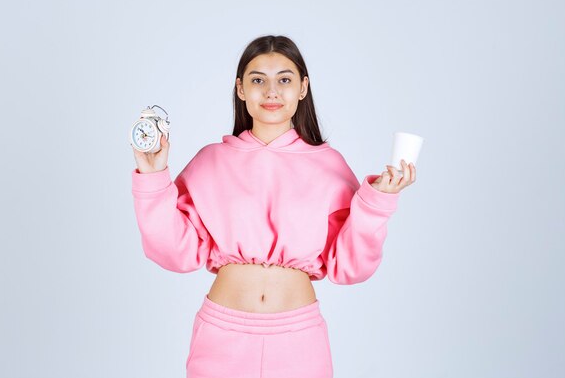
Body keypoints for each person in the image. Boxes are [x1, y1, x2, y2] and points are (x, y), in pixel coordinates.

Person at [130, 34, 416, 378]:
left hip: (298, 341)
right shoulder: (211, 161)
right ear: (240, 89)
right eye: (257, 80)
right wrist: (153, 173)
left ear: (302, 87)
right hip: (222, 337)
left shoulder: (329, 165)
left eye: (284, 79)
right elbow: (173, 251)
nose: (271, 91)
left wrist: (377, 200)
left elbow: (350, 266)